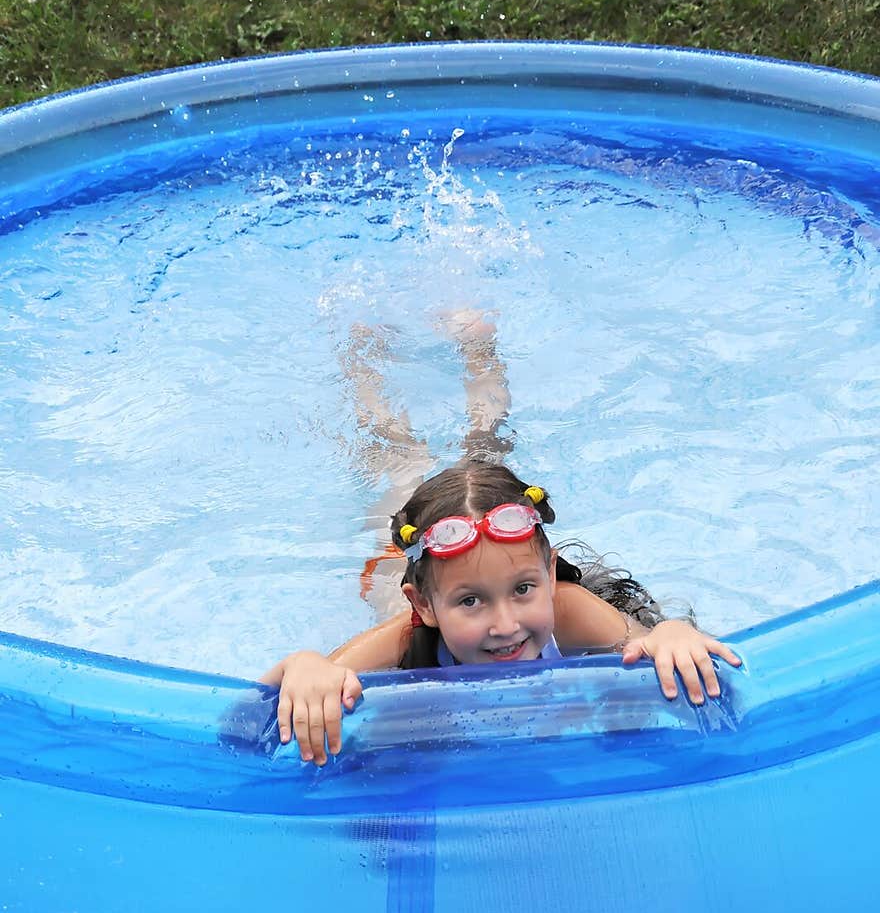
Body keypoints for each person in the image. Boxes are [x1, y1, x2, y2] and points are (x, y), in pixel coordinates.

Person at [261, 316, 742, 765]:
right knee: (397, 463)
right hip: (396, 572)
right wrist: (303, 667)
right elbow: (294, 688)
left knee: (486, 442)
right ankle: (363, 359)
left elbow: (653, 646)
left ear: (550, 574)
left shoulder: (569, 610)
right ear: (424, 606)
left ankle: (478, 344)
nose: (505, 624)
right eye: (471, 601)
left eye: (524, 589)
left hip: (443, 569)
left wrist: (672, 633)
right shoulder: (406, 632)